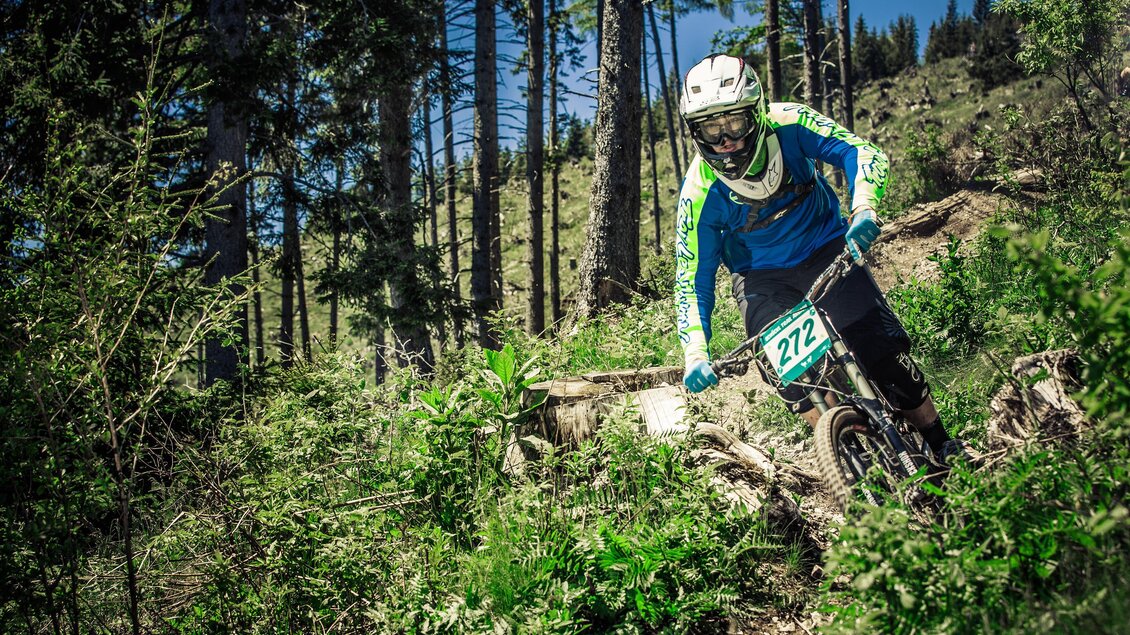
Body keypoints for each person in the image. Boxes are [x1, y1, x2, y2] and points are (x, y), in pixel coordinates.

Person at [673, 53, 966, 464]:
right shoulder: (699, 192)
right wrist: (696, 353)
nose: (725, 140)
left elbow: (861, 153)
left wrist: (864, 208)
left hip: (826, 247)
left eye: (734, 123)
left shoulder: (790, 123)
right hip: (761, 278)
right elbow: (692, 279)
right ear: (695, 131)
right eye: (710, 128)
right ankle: (843, 455)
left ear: (756, 113)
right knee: (789, 376)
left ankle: (939, 440)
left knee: (881, 350)